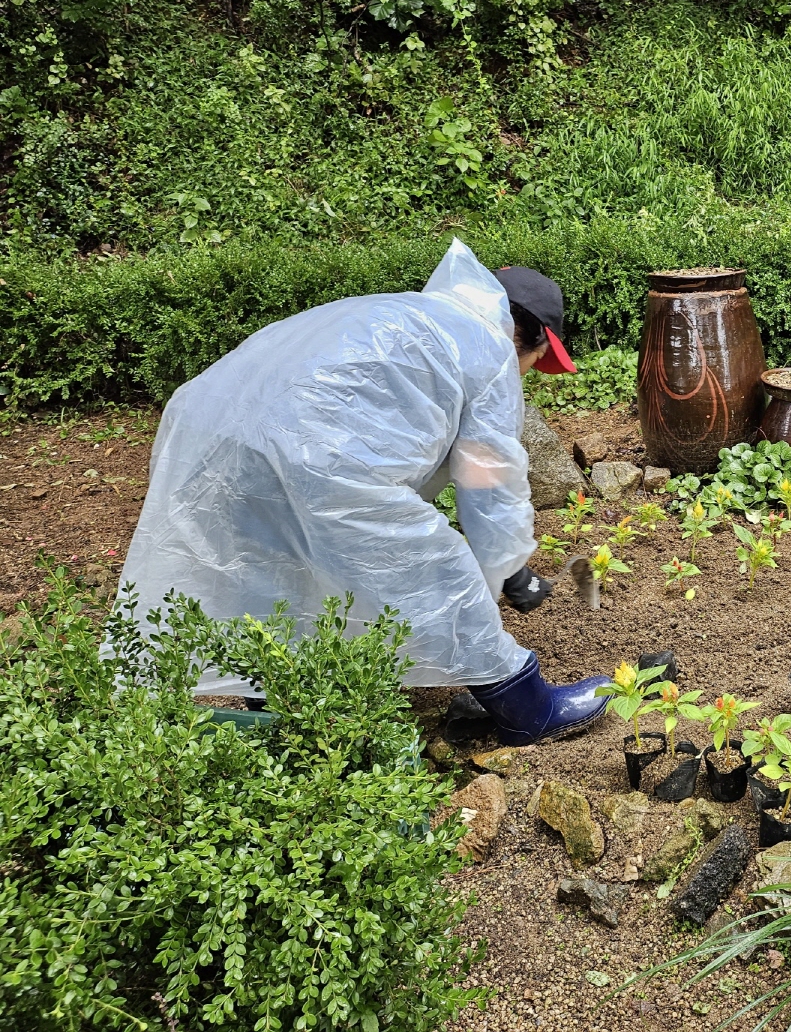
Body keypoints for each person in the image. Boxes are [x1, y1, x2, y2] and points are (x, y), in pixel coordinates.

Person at [115, 238, 610, 744]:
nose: (527, 377)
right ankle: (526, 708)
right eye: (537, 364)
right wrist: (507, 564)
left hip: (213, 435)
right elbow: (488, 486)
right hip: (317, 452)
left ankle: (281, 704)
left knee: (267, 563)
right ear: (527, 340)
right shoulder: (488, 349)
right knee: (434, 568)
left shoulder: (401, 313)